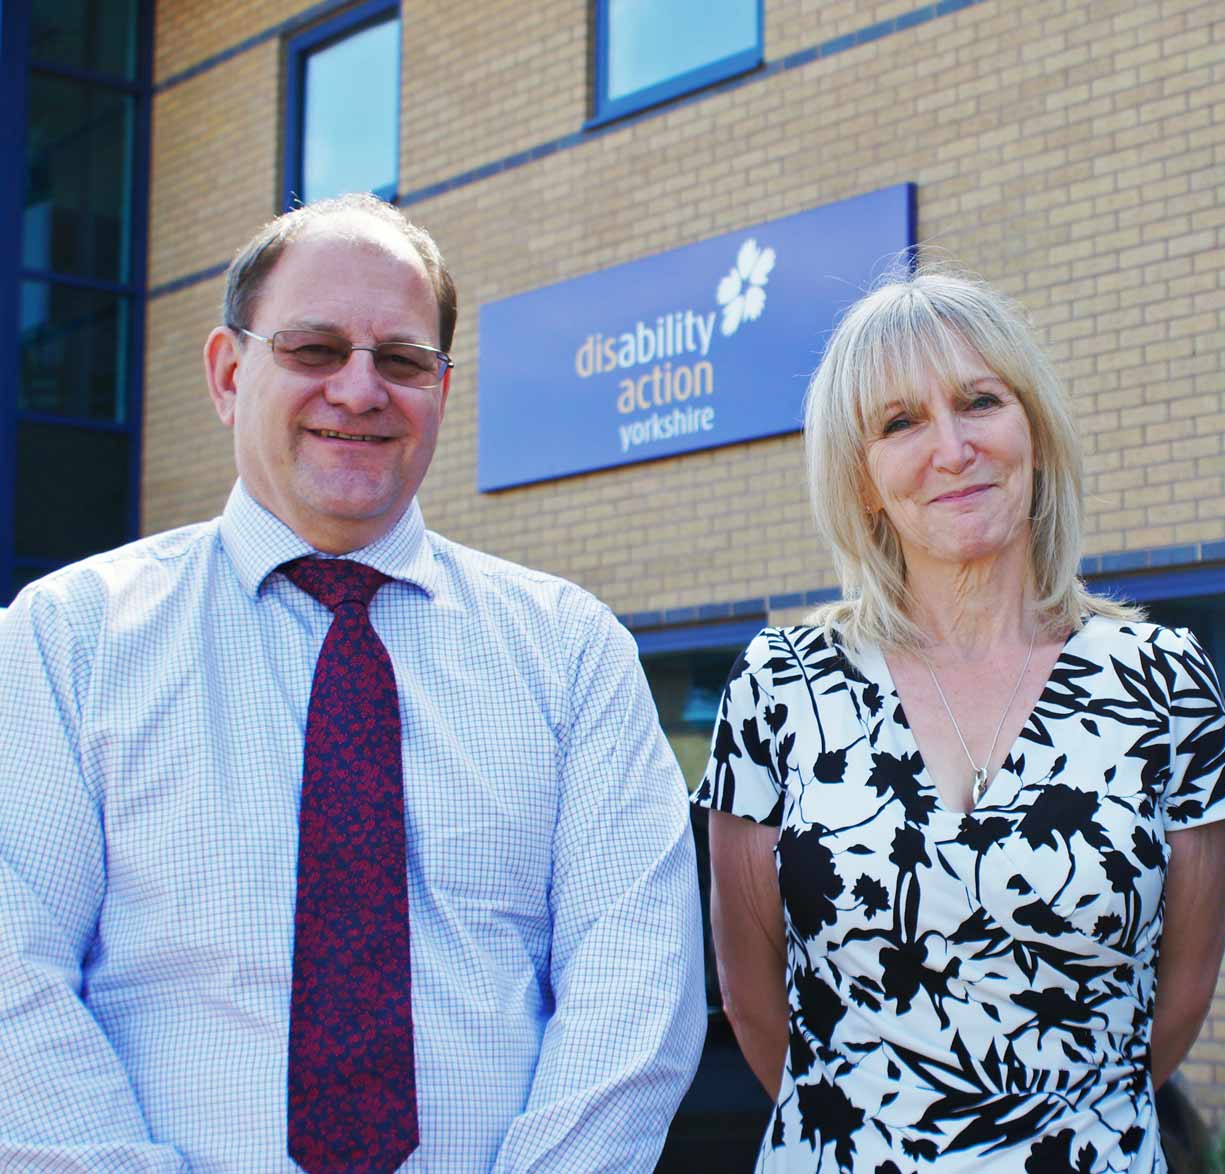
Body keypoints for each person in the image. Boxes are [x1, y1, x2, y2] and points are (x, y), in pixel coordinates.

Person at [0, 194, 706, 1171]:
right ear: (227, 372)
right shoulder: (68, 641)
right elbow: (12, 973)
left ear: (442, 392)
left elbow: (635, 985)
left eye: (402, 361)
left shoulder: (568, 652)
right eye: (315, 349)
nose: (360, 389)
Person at [697, 271, 1225, 1171]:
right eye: (900, 422)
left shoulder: (1164, 679)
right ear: (864, 481)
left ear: (1033, 430)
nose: (952, 448)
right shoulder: (780, 684)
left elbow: (1181, 996)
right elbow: (753, 1001)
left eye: (979, 401)